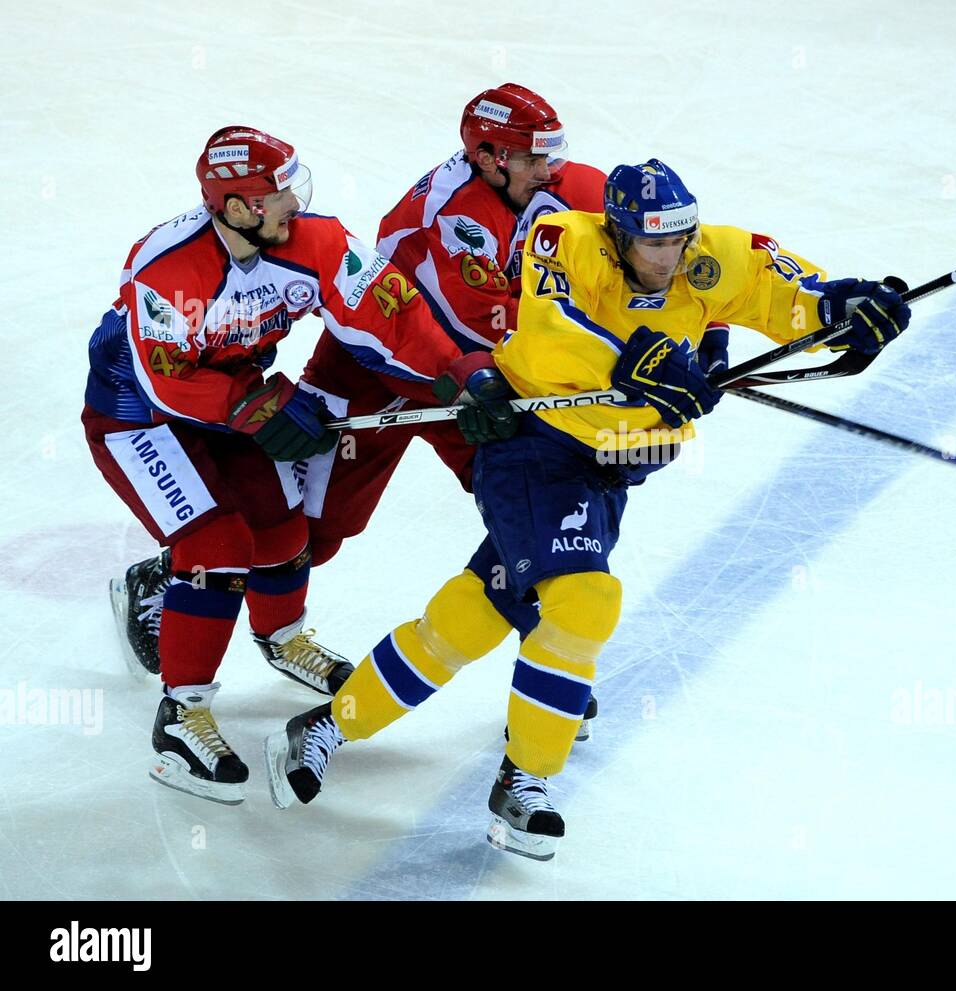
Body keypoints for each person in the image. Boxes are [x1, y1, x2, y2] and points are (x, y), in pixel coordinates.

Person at [265, 159, 910, 860]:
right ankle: (526, 780)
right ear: (618, 235)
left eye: (680, 239)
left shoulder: (707, 255)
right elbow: (548, 328)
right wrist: (637, 359)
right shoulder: (562, 239)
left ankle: (328, 724)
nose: (671, 257)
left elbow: (786, 290)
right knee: (583, 602)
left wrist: (845, 309)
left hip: (609, 467)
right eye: (653, 242)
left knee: (473, 616)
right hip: (533, 449)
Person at [110, 86, 618, 738]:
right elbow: (403, 319)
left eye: (551, 154)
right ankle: (169, 573)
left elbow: (648, 263)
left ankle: (556, 666)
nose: (549, 170)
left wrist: (686, 337)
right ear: (489, 157)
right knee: (306, 535)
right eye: (530, 157)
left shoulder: (580, 189)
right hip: (381, 372)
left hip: (476, 380)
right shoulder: (443, 215)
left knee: (536, 503)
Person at [84, 125, 486, 804]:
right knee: (217, 547)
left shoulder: (317, 242)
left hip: (235, 392)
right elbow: (165, 380)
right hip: (137, 412)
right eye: (278, 196)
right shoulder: (166, 268)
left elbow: (392, 313)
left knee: (285, 528)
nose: (293, 206)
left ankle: (280, 635)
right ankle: (180, 715)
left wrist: (457, 371)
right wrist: (255, 407)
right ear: (236, 207)